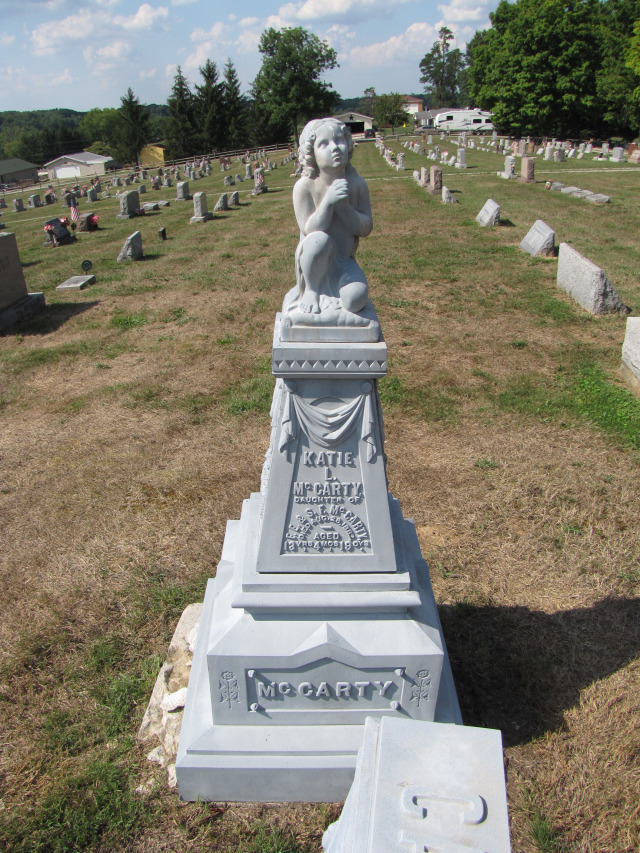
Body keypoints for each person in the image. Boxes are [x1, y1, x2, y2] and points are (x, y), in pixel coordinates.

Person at [285, 118, 373, 321]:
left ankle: (337, 296)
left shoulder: (357, 185)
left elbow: (365, 228)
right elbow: (310, 229)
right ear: (311, 154)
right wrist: (328, 202)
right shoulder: (305, 186)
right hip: (314, 260)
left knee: (356, 299)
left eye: (339, 141)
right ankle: (312, 290)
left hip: (344, 262)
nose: (335, 148)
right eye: (323, 144)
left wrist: (345, 210)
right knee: (319, 240)